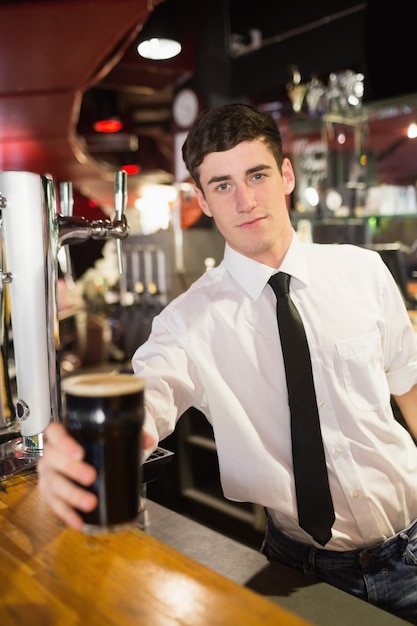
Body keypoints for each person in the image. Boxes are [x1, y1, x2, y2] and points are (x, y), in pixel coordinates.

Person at [38, 103, 417, 624]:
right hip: (300, 569)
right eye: (222, 185)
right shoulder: (187, 322)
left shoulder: (363, 271)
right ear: (203, 200)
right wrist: (88, 450)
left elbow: (409, 388)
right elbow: (148, 394)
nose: (245, 200)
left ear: (285, 175)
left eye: (257, 174)